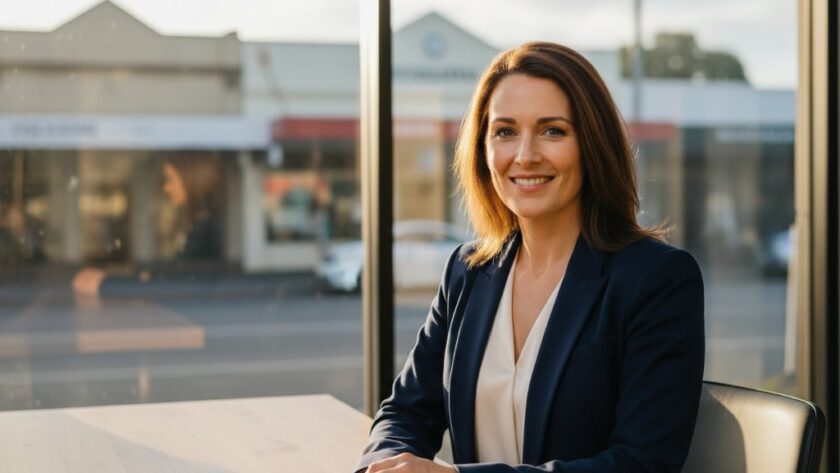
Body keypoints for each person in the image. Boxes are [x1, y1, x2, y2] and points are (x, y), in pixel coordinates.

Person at [356, 42, 705, 473]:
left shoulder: (657, 279)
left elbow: (642, 463)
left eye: (552, 130)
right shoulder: (467, 272)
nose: (524, 155)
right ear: (483, 150)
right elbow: (404, 413)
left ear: (592, 145)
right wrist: (384, 466)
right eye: (504, 131)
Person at [73, 153, 222, 297]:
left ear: (191, 181)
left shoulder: (207, 232)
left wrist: (107, 284)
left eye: (171, 179)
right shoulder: (198, 226)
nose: (167, 188)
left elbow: (180, 287)